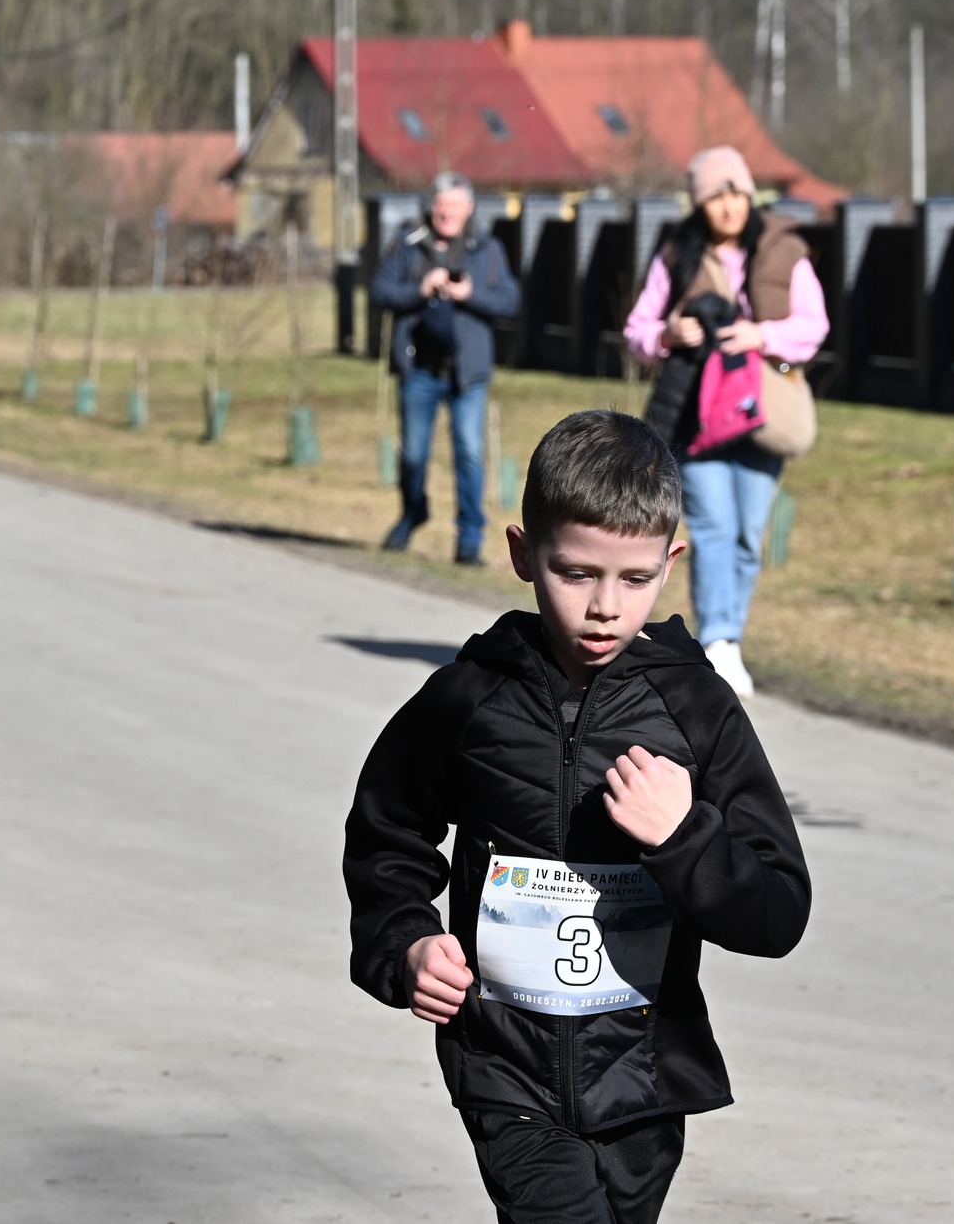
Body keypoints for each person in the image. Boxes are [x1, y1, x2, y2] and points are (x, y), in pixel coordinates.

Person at [344, 409, 811, 1224]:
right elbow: (388, 829)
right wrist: (404, 943)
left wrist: (684, 836)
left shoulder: (697, 711)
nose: (604, 607)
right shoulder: (469, 698)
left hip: (643, 1077)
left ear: (672, 561)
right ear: (525, 553)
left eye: (634, 579)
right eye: (575, 573)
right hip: (503, 1065)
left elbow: (777, 909)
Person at [623, 146, 828, 698]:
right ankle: (717, 642)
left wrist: (762, 337)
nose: (729, 205)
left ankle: (729, 638)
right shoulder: (678, 255)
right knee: (712, 527)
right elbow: (637, 329)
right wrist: (669, 334)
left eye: (736, 192)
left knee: (745, 534)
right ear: (699, 203)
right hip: (696, 414)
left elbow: (814, 324)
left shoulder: (783, 249)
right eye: (716, 196)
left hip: (763, 412)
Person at [369, 171, 520, 566]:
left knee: (469, 454)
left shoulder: (486, 249)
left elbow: (509, 301)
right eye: (441, 205)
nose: (446, 212)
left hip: (467, 373)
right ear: (431, 207)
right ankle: (412, 511)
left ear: (468, 208)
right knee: (414, 455)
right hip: (418, 368)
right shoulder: (408, 244)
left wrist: (470, 294)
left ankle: (469, 539)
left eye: (454, 205)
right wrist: (419, 290)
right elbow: (379, 292)